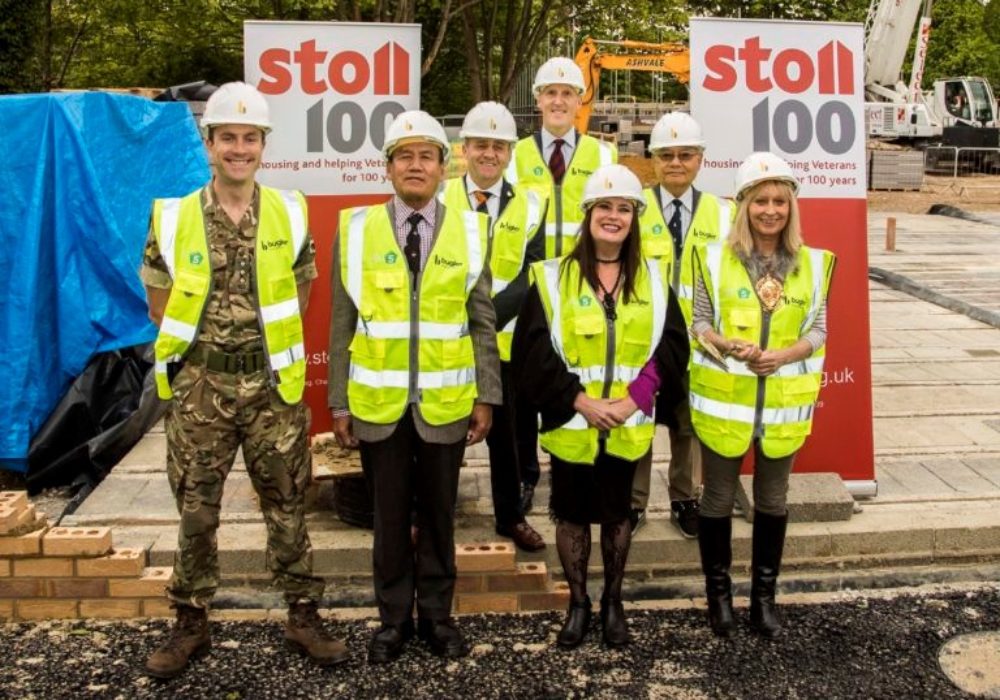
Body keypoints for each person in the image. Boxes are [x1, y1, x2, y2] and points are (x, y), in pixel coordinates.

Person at [141, 82, 345, 678]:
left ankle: (302, 614)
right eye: (227, 137)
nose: (238, 148)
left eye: (248, 138)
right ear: (209, 144)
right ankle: (190, 623)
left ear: (263, 145)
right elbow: (158, 302)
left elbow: (303, 291)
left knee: (287, 504)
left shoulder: (290, 210)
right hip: (201, 386)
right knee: (196, 509)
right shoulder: (174, 216)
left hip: (270, 385)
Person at [327, 110, 501, 664]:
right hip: (379, 406)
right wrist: (338, 400)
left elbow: (482, 320)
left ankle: (439, 618)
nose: (416, 165)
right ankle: (393, 621)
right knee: (389, 521)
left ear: (444, 167)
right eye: (405, 156)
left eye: (427, 155)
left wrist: (486, 394)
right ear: (388, 167)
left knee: (440, 517)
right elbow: (341, 322)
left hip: (447, 404)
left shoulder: (472, 229)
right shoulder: (355, 229)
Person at [512, 164, 689, 649]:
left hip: (626, 426)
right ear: (588, 214)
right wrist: (579, 400)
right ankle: (578, 602)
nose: (613, 216)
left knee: (617, 517)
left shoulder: (654, 278)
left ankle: (613, 600)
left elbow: (672, 347)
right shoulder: (552, 278)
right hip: (574, 424)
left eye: (624, 208)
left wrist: (634, 400)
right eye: (604, 207)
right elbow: (531, 352)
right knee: (570, 517)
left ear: (634, 217)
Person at [688, 152, 835, 639]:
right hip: (726, 403)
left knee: (773, 501)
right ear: (743, 204)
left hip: (781, 407)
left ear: (791, 206)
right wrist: (725, 343)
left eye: (779, 201)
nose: (770, 210)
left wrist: (786, 353)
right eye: (760, 201)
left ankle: (764, 598)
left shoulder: (812, 264)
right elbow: (699, 323)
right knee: (717, 500)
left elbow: (818, 328)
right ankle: (720, 598)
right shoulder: (713, 257)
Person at [506, 57, 618, 513]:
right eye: (550, 92)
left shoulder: (601, 156)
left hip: (578, 287)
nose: (558, 100)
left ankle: (566, 472)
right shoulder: (515, 155)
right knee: (523, 384)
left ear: (579, 102)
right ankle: (525, 475)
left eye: (567, 93)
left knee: (569, 376)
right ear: (537, 100)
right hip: (526, 289)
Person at [440, 102, 546, 552]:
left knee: (508, 440)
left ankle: (511, 516)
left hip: (505, 344)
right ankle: (435, 517)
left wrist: (486, 316)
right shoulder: (440, 198)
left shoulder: (532, 205)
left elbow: (535, 271)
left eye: (498, 147)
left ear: (510, 153)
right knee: (444, 435)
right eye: (480, 145)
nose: (489, 154)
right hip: (449, 339)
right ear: (464, 149)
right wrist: (468, 319)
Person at [631, 112, 734, 539]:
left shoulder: (724, 213)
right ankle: (633, 502)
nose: (676, 162)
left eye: (685, 155)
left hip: (697, 340)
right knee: (637, 418)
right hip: (644, 340)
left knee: (687, 424)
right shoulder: (634, 209)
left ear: (700, 160)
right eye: (667, 155)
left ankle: (683, 497)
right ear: (653, 160)